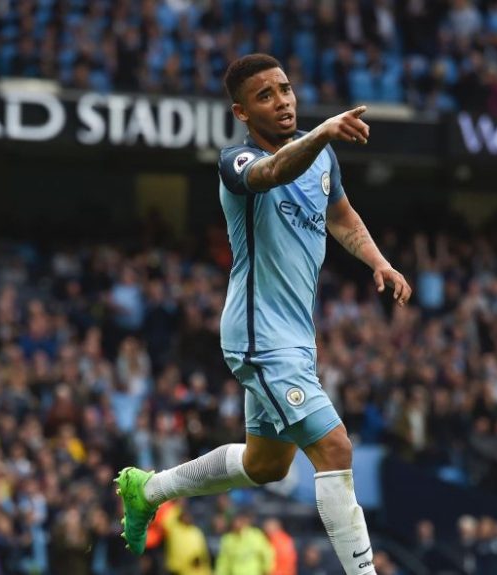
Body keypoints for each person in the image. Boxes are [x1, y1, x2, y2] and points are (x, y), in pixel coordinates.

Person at [114, 52, 412, 575]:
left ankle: (149, 489)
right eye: (265, 96)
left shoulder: (323, 160)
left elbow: (340, 216)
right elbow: (276, 169)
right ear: (242, 113)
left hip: (295, 336)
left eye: (286, 90)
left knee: (267, 465)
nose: (282, 102)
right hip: (258, 336)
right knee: (335, 447)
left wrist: (378, 261)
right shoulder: (237, 162)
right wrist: (321, 133)